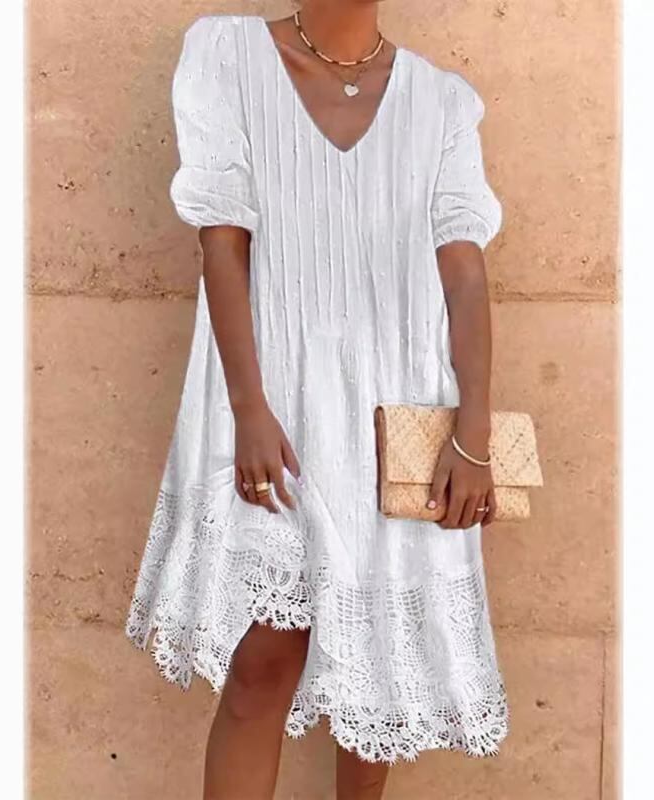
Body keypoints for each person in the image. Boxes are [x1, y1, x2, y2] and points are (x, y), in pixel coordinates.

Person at [125, 2, 508, 797]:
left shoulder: (440, 102)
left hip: (399, 410)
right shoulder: (228, 57)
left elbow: (465, 275)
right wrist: (248, 408)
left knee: (382, 670)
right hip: (276, 406)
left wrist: (473, 433)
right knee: (262, 662)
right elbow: (221, 244)